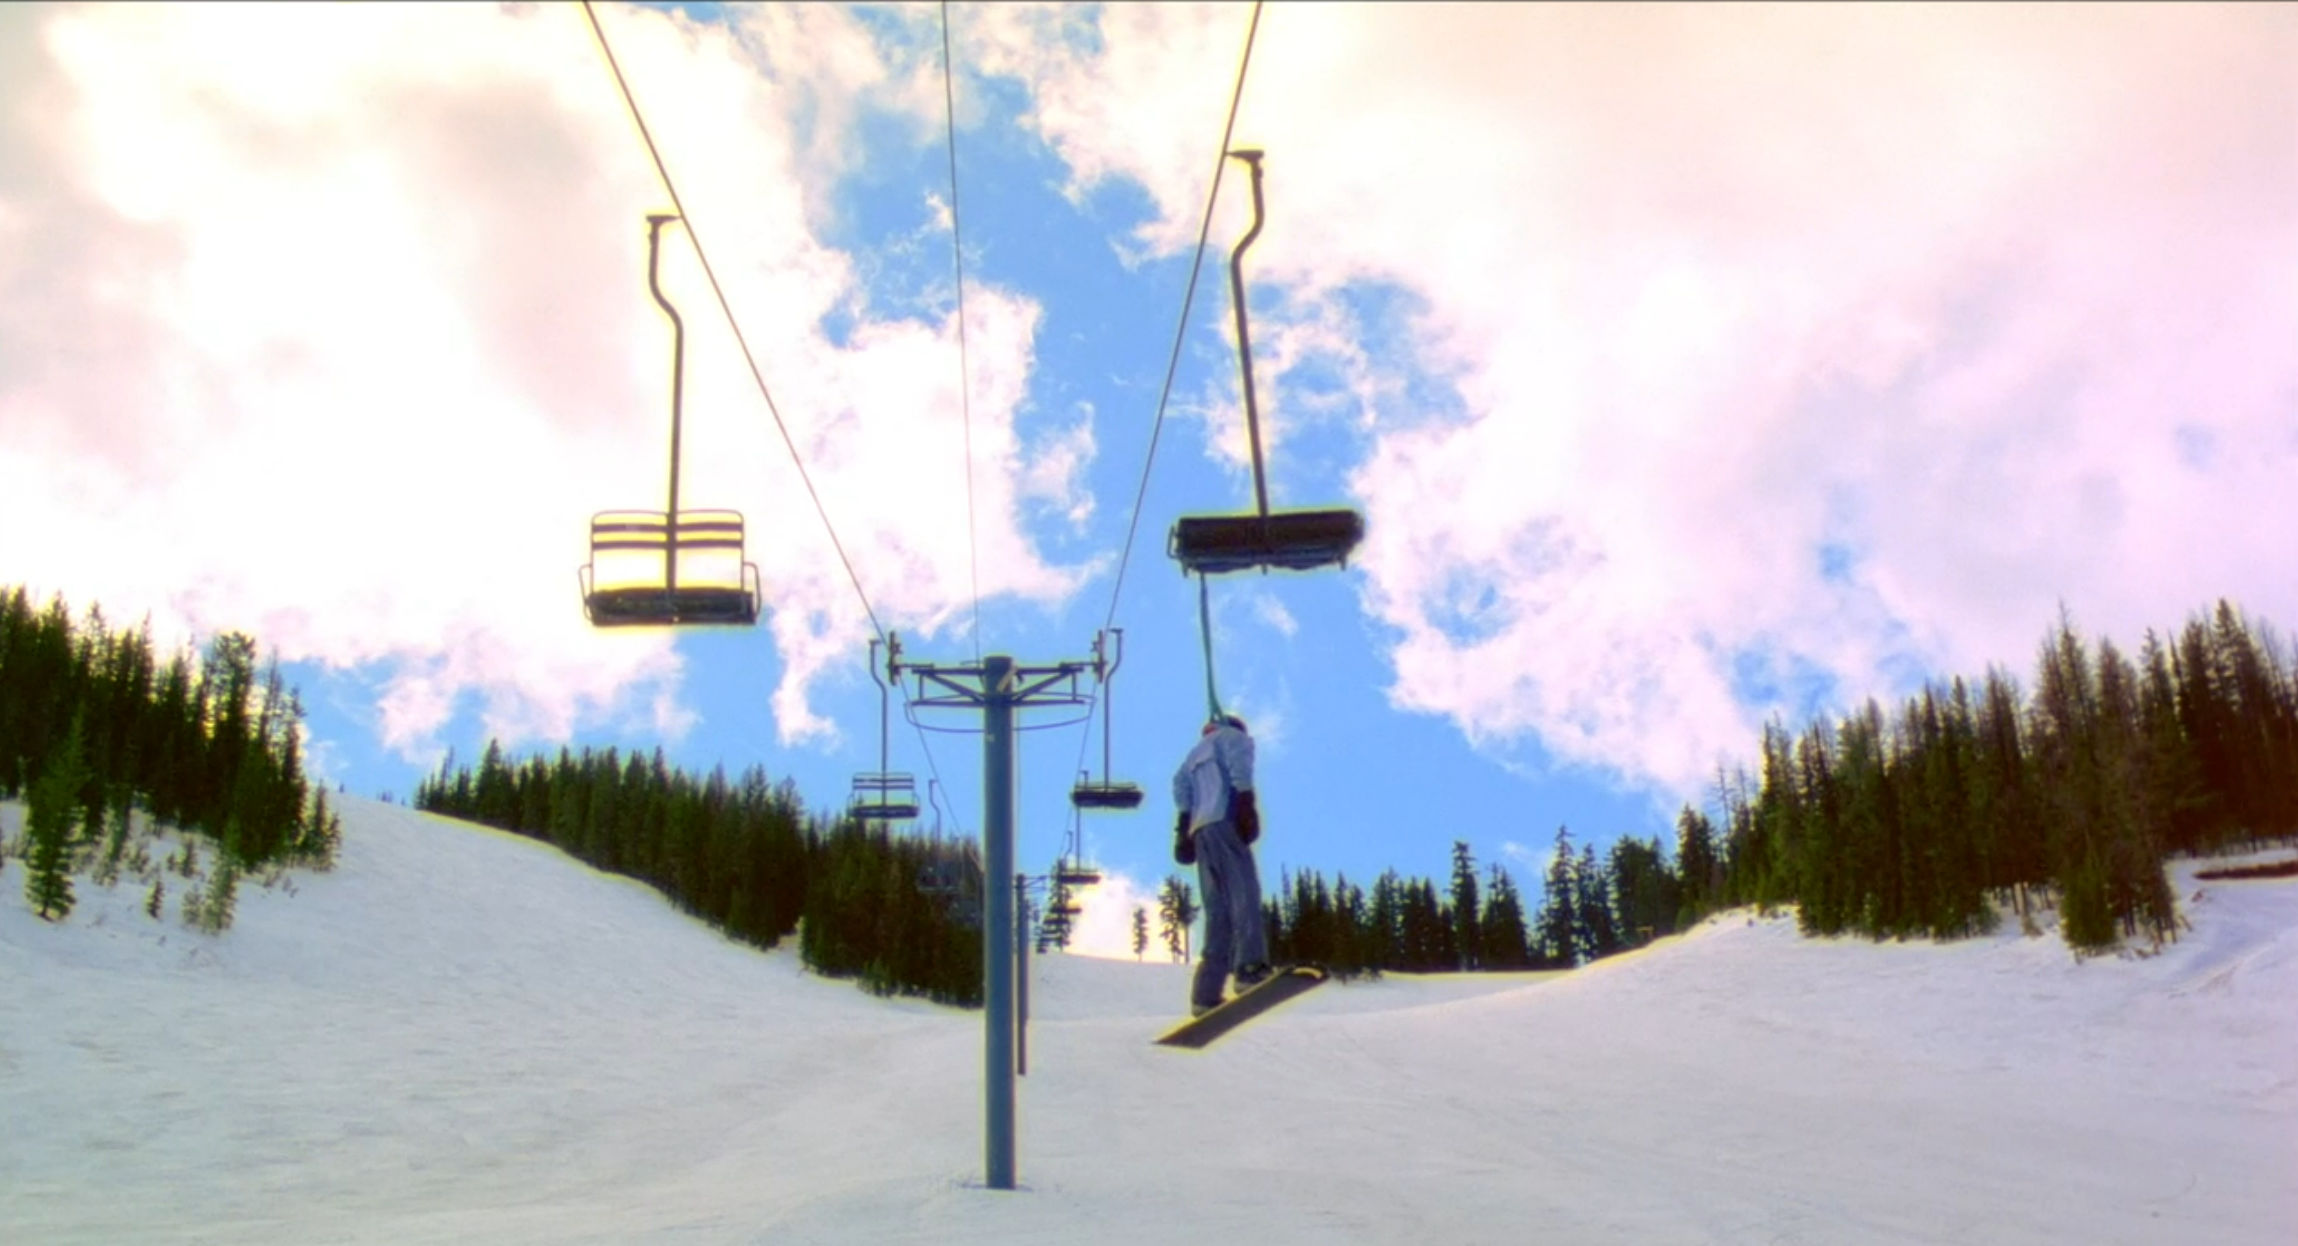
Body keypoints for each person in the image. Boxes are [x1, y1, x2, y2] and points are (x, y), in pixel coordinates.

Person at [1171, 713, 1270, 1016]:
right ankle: (1250, 967)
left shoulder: (1193, 756)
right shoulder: (1234, 739)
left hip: (1201, 832)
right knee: (1244, 895)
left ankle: (1205, 992)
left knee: (1218, 911)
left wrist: (1184, 825)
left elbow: (1179, 786)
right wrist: (1246, 802)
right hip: (1225, 822)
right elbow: (1240, 769)